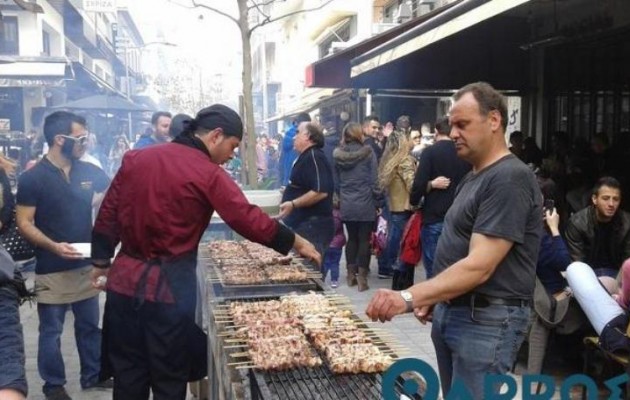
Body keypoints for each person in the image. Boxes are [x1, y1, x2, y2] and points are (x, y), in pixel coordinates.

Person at [90, 104, 320, 400]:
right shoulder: (207, 173)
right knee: (169, 379)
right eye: (233, 146)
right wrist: (296, 242)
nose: (232, 155)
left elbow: (108, 212)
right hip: (168, 291)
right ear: (216, 135)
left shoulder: (136, 158)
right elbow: (245, 218)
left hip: (123, 284)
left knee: (128, 377)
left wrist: (100, 260)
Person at [366, 82, 542, 398]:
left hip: (486, 322)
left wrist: (408, 296)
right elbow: (459, 248)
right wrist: (435, 296)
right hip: (457, 312)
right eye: (452, 124)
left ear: (494, 121)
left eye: (463, 124)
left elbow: (479, 266)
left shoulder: (510, 178)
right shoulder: (475, 175)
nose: (454, 132)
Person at [16, 111, 111, 400]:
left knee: (89, 326)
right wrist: (54, 246)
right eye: (80, 137)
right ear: (60, 139)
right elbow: (24, 222)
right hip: (50, 266)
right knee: (51, 330)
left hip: (86, 264)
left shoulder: (88, 170)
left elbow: (109, 192)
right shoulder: (33, 178)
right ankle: (53, 385)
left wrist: (96, 213)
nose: (85, 142)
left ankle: (92, 375)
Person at [410, 116, 471, 279]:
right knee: (457, 267)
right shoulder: (465, 152)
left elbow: (419, 184)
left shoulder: (430, 152)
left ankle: (435, 301)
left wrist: (414, 200)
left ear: (436, 132)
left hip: (434, 215)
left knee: (434, 268)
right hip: (461, 216)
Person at [334, 122, 381, 292]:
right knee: (364, 240)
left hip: (347, 202)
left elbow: (337, 182)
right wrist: (378, 200)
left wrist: (341, 197)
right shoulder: (368, 153)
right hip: (365, 201)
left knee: (351, 239)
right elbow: (375, 180)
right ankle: (362, 278)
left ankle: (350, 275)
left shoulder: (338, 155)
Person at [279, 122, 334, 259]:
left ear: (307, 136)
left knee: (311, 266)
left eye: (297, 132)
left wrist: (293, 203)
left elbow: (320, 191)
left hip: (313, 225)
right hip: (305, 224)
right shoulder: (306, 156)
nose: (293, 137)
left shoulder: (315, 156)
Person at [565, 176, 630, 279]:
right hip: (589, 275)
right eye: (605, 198)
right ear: (594, 199)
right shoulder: (578, 223)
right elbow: (578, 264)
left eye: (616, 199)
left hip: (617, 274)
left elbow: (627, 263)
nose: (611, 204)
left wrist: (619, 287)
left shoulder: (627, 223)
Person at [377, 131, 416, 284]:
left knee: (390, 236)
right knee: (398, 239)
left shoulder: (388, 159)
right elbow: (412, 184)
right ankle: (393, 265)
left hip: (392, 203)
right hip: (403, 205)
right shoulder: (404, 160)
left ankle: (384, 266)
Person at [280, 112, 311, 186]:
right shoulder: (304, 136)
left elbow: (281, 161)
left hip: (288, 177)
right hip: (299, 178)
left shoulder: (287, 135)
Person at [322, 194, 345, 288]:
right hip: (338, 244)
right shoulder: (339, 214)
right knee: (335, 262)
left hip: (327, 243)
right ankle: (334, 280)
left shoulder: (325, 214)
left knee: (326, 262)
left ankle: (322, 277)